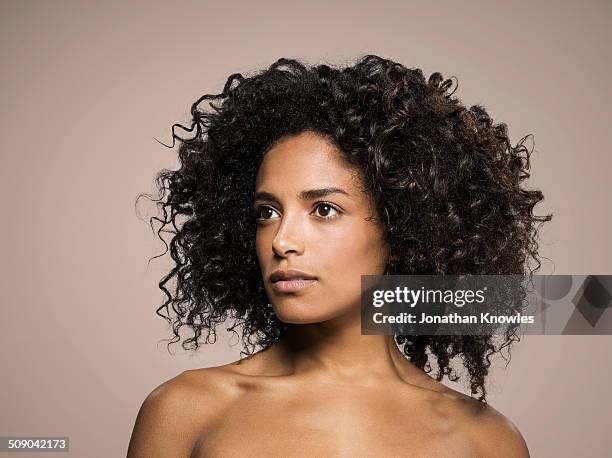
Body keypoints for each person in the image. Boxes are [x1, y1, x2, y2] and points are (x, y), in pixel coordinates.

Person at [128, 55, 550, 457]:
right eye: (267, 212)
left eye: (324, 209)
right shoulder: (187, 411)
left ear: (401, 226)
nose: (282, 240)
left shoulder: (486, 442)